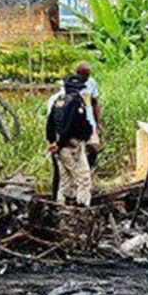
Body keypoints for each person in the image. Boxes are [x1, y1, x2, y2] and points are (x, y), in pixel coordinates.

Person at [46, 74, 94, 207]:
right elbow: (70, 126)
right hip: (72, 147)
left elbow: (50, 124)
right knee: (83, 179)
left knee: (65, 180)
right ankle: (82, 208)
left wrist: (53, 143)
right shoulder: (76, 103)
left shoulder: (59, 102)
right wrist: (60, 143)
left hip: (60, 148)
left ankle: (61, 208)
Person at [48, 62, 102, 167]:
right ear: (78, 73)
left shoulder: (91, 83)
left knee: (94, 148)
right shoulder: (69, 85)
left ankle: (88, 170)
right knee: (71, 153)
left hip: (88, 122)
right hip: (72, 126)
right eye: (85, 74)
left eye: (88, 74)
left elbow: (95, 102)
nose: (87, 77)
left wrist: (98, 122)